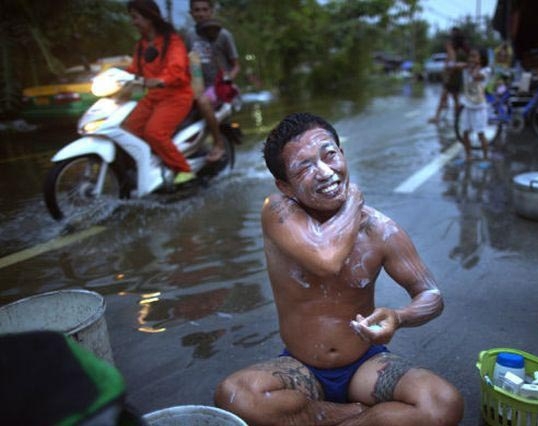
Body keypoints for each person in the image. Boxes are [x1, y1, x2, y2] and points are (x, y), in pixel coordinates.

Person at [214, 112, 464, 425]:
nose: (324, 171)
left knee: (443, 403)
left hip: (364, 365)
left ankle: (335, 420)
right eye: (304, 167)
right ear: (285, 186)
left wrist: (400, 317)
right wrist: (353, 200)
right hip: (301, 367)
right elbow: (326, 257)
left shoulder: (379, 229)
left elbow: (430, 294)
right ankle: (337, 414)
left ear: (342, 154)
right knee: (234, 395)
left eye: (329, 154)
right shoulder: (278, 211)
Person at [124, 0, 195, 184]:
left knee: (154, 132)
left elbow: (177, 68)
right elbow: (134, 70)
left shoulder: (172, 41)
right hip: (153, 97)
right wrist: (119, 77)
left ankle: (183, 169)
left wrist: (161, 80)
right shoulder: (141, 45)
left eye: (136, 17)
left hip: (176, 96)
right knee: (128, 130)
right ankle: (154, 163)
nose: (133, 22)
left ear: (149, 18)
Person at [186, 0, 241, 162]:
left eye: (204, 9)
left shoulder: (223, 35)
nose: (201, 13)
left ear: (211, 12)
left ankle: (218, 143)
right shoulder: (190, 35)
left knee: (202, 101)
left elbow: (236, 65)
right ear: (192, 13)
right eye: (197, 10)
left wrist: (227, 79)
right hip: (197, 86)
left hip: (218, 87)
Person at [429, 27, 470, 124]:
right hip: (454, 76)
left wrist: (450, 70)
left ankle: (439, 117)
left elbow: (452, 64)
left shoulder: (456, 51)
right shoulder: (458, 50)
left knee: (447, 97)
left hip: (453, 76)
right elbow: (449, 63)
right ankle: (455, 117)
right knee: (452, 97)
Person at [459, 48, 490, 161]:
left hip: (479, 107)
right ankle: (468, 155)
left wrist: (472, 67)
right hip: (467, 106)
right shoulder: (466, 70)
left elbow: (477, 77)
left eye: (474, 56)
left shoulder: (486, 71)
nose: (471, 59)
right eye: (470, 56)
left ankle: (486, 157)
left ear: (481, 59)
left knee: (480, 134)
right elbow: (453, 66)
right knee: (465, 133)